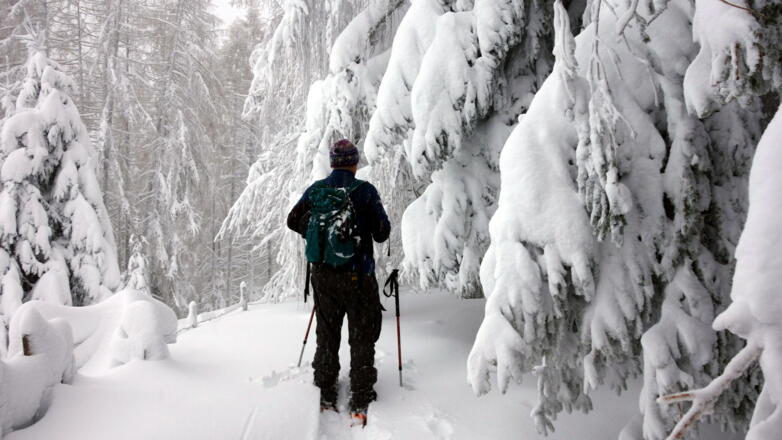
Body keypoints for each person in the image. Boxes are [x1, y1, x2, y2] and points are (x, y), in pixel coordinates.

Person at [286, 139, 391, 425]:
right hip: (358, 278)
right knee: (361, 335)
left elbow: (292, 219)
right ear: (354, 162)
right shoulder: (365, 191)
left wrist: (318, 233)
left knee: (327, 333)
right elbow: (382, 232)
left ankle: (326, 392)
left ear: (333, 162)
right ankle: (360, 396)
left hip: (323, 277)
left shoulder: (317, 190)